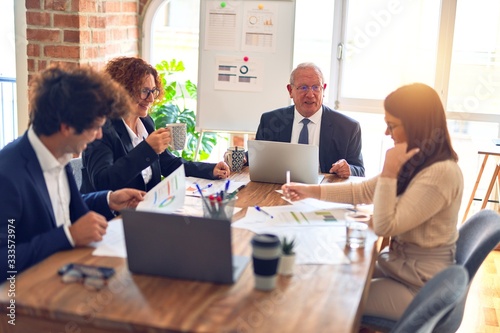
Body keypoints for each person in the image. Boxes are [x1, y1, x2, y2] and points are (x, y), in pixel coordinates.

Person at [282, 83, 463, 323]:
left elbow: (384, 226)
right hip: (399, 269)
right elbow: (364, 191)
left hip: (418, 287)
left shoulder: (441, 173)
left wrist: (389, 172)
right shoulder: (418, 161)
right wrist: (309, 190)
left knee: (326, 297)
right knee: (326, 274)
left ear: (415, 125)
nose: (387, 133)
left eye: (392, 125)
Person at [0, 64, 146, 281]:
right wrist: (67, 236)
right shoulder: (8, 174)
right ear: (66, 127)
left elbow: (59, 209)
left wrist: (108, 199)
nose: (98, 136)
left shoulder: (61, 152)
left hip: (66, 273)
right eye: (95, 127)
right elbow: (5, 259)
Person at [81, 57, 230, 193]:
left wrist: (210, 169)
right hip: (112, 217)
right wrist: (147, 149)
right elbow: (102, 182)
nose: (151, 98)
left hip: (146, 209)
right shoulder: (101, 130)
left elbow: (168, 163)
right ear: (122, 91)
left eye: (153, 91)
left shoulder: (146, 122)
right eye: (145, 91)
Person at [254, 62, 364, 177]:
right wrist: (243, 158)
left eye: (316, 87)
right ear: (290, 90)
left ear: (324, 89)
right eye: (303, 88)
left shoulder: (348, 127)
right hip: (279, 188)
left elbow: (360, 170)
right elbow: (257, 158)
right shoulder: (270, 121)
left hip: (324, 190)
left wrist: (349, 169)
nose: (310, 95)